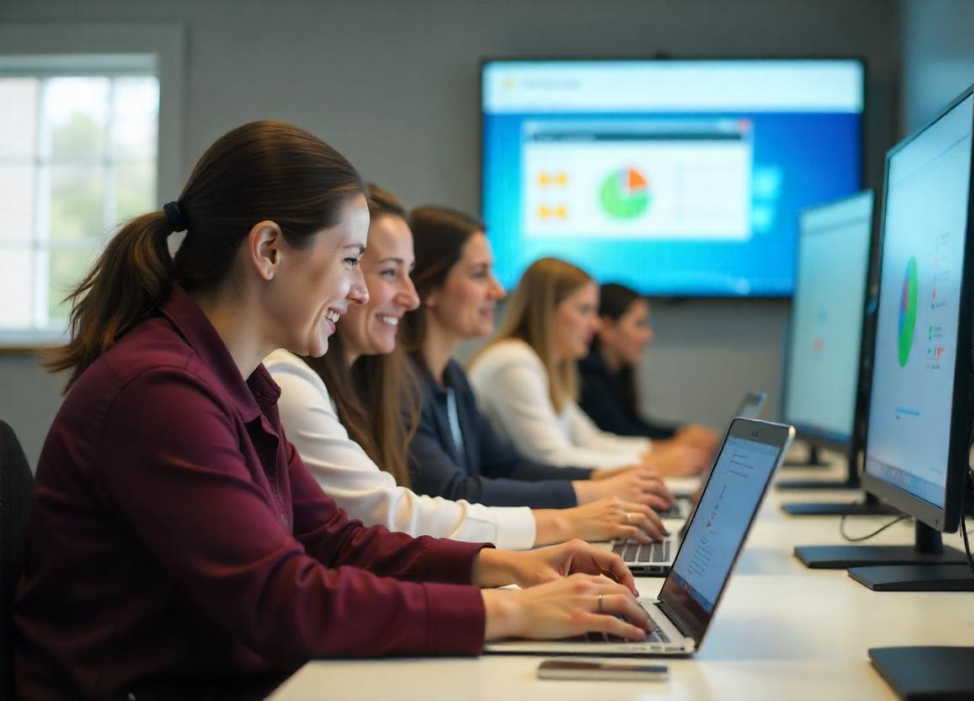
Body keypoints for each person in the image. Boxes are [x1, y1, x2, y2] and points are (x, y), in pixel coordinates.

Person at [14, 122, 651, 700]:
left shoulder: (237, 380)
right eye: (350, 260)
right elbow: (281, 601)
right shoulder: (162, 392)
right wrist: (511, 611)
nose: (361, 290)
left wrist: (505, 565)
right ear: (268, 250)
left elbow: (332, 538)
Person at [267, 186, 669, 550]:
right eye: (387, 271)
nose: (497, 289)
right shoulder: (299, 383)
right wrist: (572, 513)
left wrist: (595, 491)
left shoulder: (439, 377)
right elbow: (419, 504)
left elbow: (500, 466)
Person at [401, 205, 673, 534]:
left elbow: (505, 466)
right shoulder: (406, 382)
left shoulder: (453, 377)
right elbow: (451, 492)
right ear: (429, 288)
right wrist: (592, 491)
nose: (498, 290)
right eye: (479, 274)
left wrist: (598, 477)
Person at [469, 257, 712, 476]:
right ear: (547, 311)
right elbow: (553, 459)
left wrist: (658, 452)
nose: (595, 325)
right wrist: (649, 464)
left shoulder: (543, 366)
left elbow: (590, 440)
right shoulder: (514, 362)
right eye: (584, 310)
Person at [579, 282, 719, 448]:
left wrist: (680, 433)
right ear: (607, 328)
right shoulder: (587, 375)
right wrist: (678, 438)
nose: (648, 336)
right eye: (639, 324)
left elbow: (633, 425)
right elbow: (620, 433)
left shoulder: (615, 374)